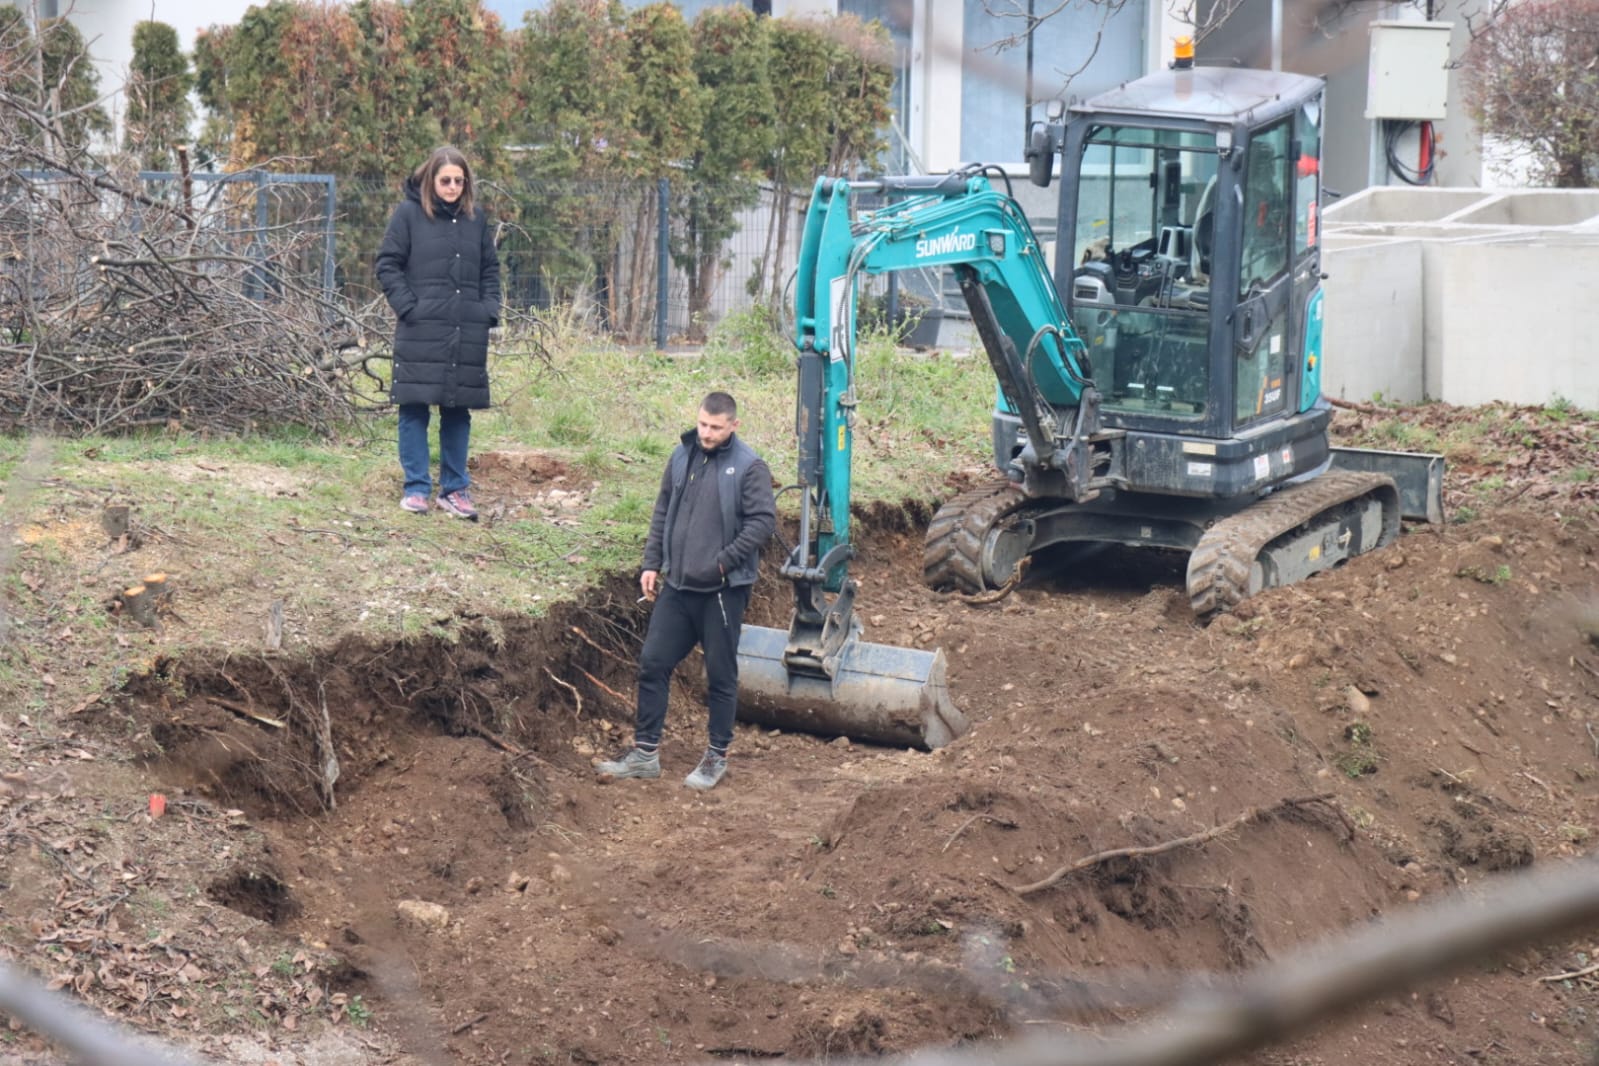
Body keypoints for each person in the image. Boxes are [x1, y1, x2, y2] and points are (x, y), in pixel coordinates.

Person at [597, 392, 777, 791]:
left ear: (733, 425)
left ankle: (716, 756)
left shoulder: (749, 467)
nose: (706, 433)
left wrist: (723, 561)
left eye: (715, 427)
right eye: (702, 424)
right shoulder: (682, 456)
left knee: (721, 674)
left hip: (722, 591)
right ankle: (645, 755)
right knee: (652, 663)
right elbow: (663, 509)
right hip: (678, 586)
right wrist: (651, 562)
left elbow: (763, 522)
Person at [374, 145, 500, 520]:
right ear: (431, 180)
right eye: (446, 180)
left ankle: (455, 490)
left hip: (466, 330)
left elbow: (490, 271)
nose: (452, 187)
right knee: (414, 407)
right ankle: (416, 489)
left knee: (458, 411)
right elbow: (387, 264)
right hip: (420, 328)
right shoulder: (409, 215)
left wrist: (488, 311)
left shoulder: (476, 220)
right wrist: (408, 307)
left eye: (459, 181)